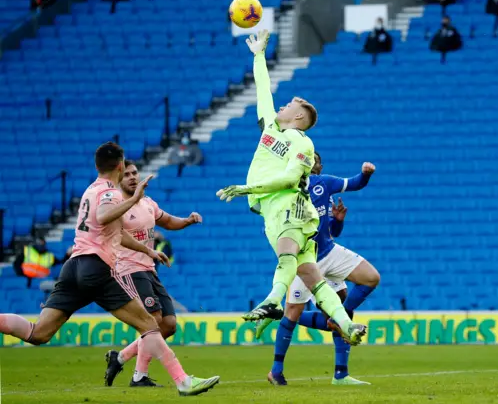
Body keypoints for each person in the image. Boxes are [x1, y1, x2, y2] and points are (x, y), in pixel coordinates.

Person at [0, 142, 219, 397]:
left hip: (73, 268)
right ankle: (183, 381)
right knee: (149, 323)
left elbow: (114, 231)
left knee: (38, 333)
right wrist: (135, 198)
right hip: (97, 267)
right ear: (120, 164)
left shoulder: (89, 191)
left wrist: (148, 250)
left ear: (97, 165)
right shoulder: (109, 191)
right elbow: (105, 216)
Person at [215, 30, 367, 347]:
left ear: (298, 116)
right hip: (271, 209)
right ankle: (346, 325)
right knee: (312, 275)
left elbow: (288, 181)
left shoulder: (303, 143)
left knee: (287, 254)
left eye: (289, 105)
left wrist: (247, 188)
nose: (281, 105)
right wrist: (258, 55)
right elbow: (262, 91)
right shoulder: (271, 127)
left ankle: (272, 299)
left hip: (290, 206)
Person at [256, 152, 380, 386]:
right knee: (292, 315)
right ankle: (276, 371)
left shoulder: (325, 184)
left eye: (315, 158)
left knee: (370, 279)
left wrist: (365, 175)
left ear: (319, 165)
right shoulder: (287, 190)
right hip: (304, 260)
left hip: (329, 252)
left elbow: (355, 184)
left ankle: (341, 374)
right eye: (306, 158)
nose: (311, 161)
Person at [104, 160, 204, 388]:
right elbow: (117, 236)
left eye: (135, 173)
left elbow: (167, 221)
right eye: (127, 174)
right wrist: (149, 250)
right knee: (153, 320)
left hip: (149, 269)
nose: (132, 177)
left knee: (168, 324)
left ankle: (119, 358)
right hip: (129, 269)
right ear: (119, 179)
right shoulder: (117, 205)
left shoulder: (148, 203)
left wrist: (187, 221)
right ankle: (139, 376)